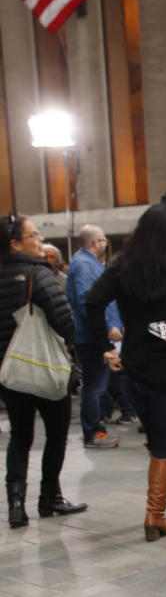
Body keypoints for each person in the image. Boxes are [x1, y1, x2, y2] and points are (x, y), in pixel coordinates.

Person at [85, 204, 166, 540]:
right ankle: (154, 516)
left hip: (134, 365)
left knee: (159, 438)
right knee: (165, 443)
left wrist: (104, 346)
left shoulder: (123, 266)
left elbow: (92, 301)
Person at [0, 216, 86, 526]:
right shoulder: (39, 274)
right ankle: (49, 497)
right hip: (46, 369)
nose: (40, 239)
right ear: (15, 243)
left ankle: (15, 505)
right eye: (33, 234)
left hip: (10, 373)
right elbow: (65, 321)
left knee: (19, 437)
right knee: (56, 434)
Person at [65, 225, 120, 449]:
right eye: (104, 240)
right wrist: (107, 327)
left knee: (97, 385)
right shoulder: (84, 265)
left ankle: (96, 430)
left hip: (94, 335)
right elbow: (88, 301)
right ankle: (94, 432)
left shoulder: (87, 264)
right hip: (91, 337)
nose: (106, 245)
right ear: (95, 242)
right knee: (94, 386)